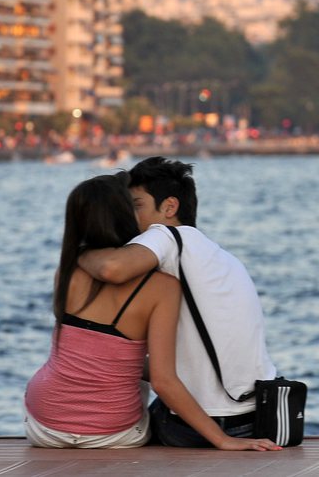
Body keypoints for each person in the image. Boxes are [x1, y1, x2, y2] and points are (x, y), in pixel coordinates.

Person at [24, 172, 279, 451]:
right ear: (124, 214)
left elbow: (94, 355)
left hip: (45, 426)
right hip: (115, 434)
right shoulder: (163, 287)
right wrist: (222, 440)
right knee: (145, 386)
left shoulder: (66, 273)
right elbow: (163, 380)